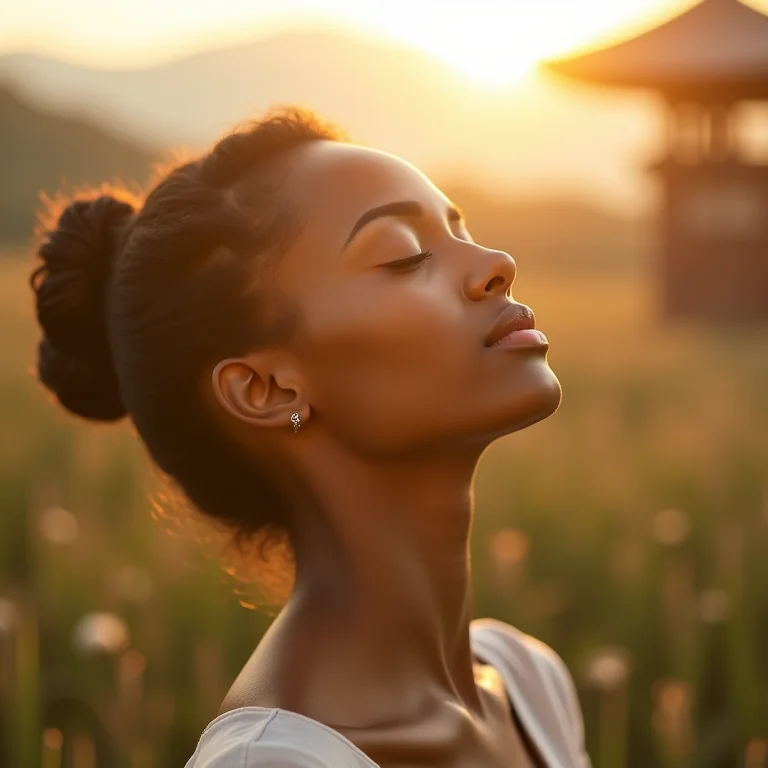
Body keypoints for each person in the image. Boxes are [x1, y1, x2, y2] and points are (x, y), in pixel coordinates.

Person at [29, 106, 590, 767]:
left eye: (459, 228)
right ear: (267, 390)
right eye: (405, 255)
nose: (496, 262)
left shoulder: (529, 683)